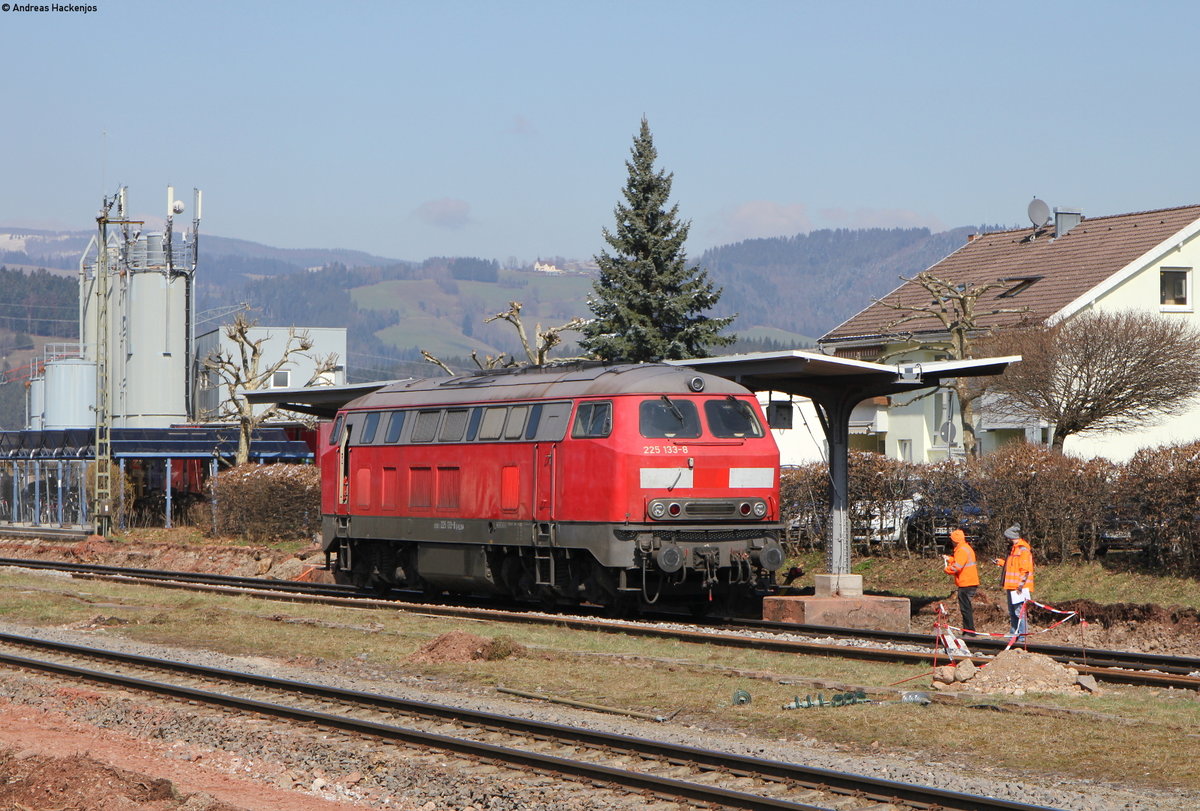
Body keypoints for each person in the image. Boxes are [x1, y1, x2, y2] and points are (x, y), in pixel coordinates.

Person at [994, 524, 1035, 640]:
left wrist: (1020, 586)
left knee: (1019, 612)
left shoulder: (1023, 550)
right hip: (1011, 586)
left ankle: (1022, 635)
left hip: (1018, 587)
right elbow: (1014, 566)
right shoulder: (1014, 549)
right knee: (1013, 612)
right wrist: (1002, 563)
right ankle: (1014, 633)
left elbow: (1025, 570)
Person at [942, 528, 979, 635]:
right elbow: (959, 561)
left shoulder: (961, 550)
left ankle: (969, 631)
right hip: (968, 582)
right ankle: (968, 631)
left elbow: (957, 567)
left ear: (955, 540)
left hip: (966, 583)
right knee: (966, 608)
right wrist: (949, 559)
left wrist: (947, 569)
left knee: (965, 609)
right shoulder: (964, 548)